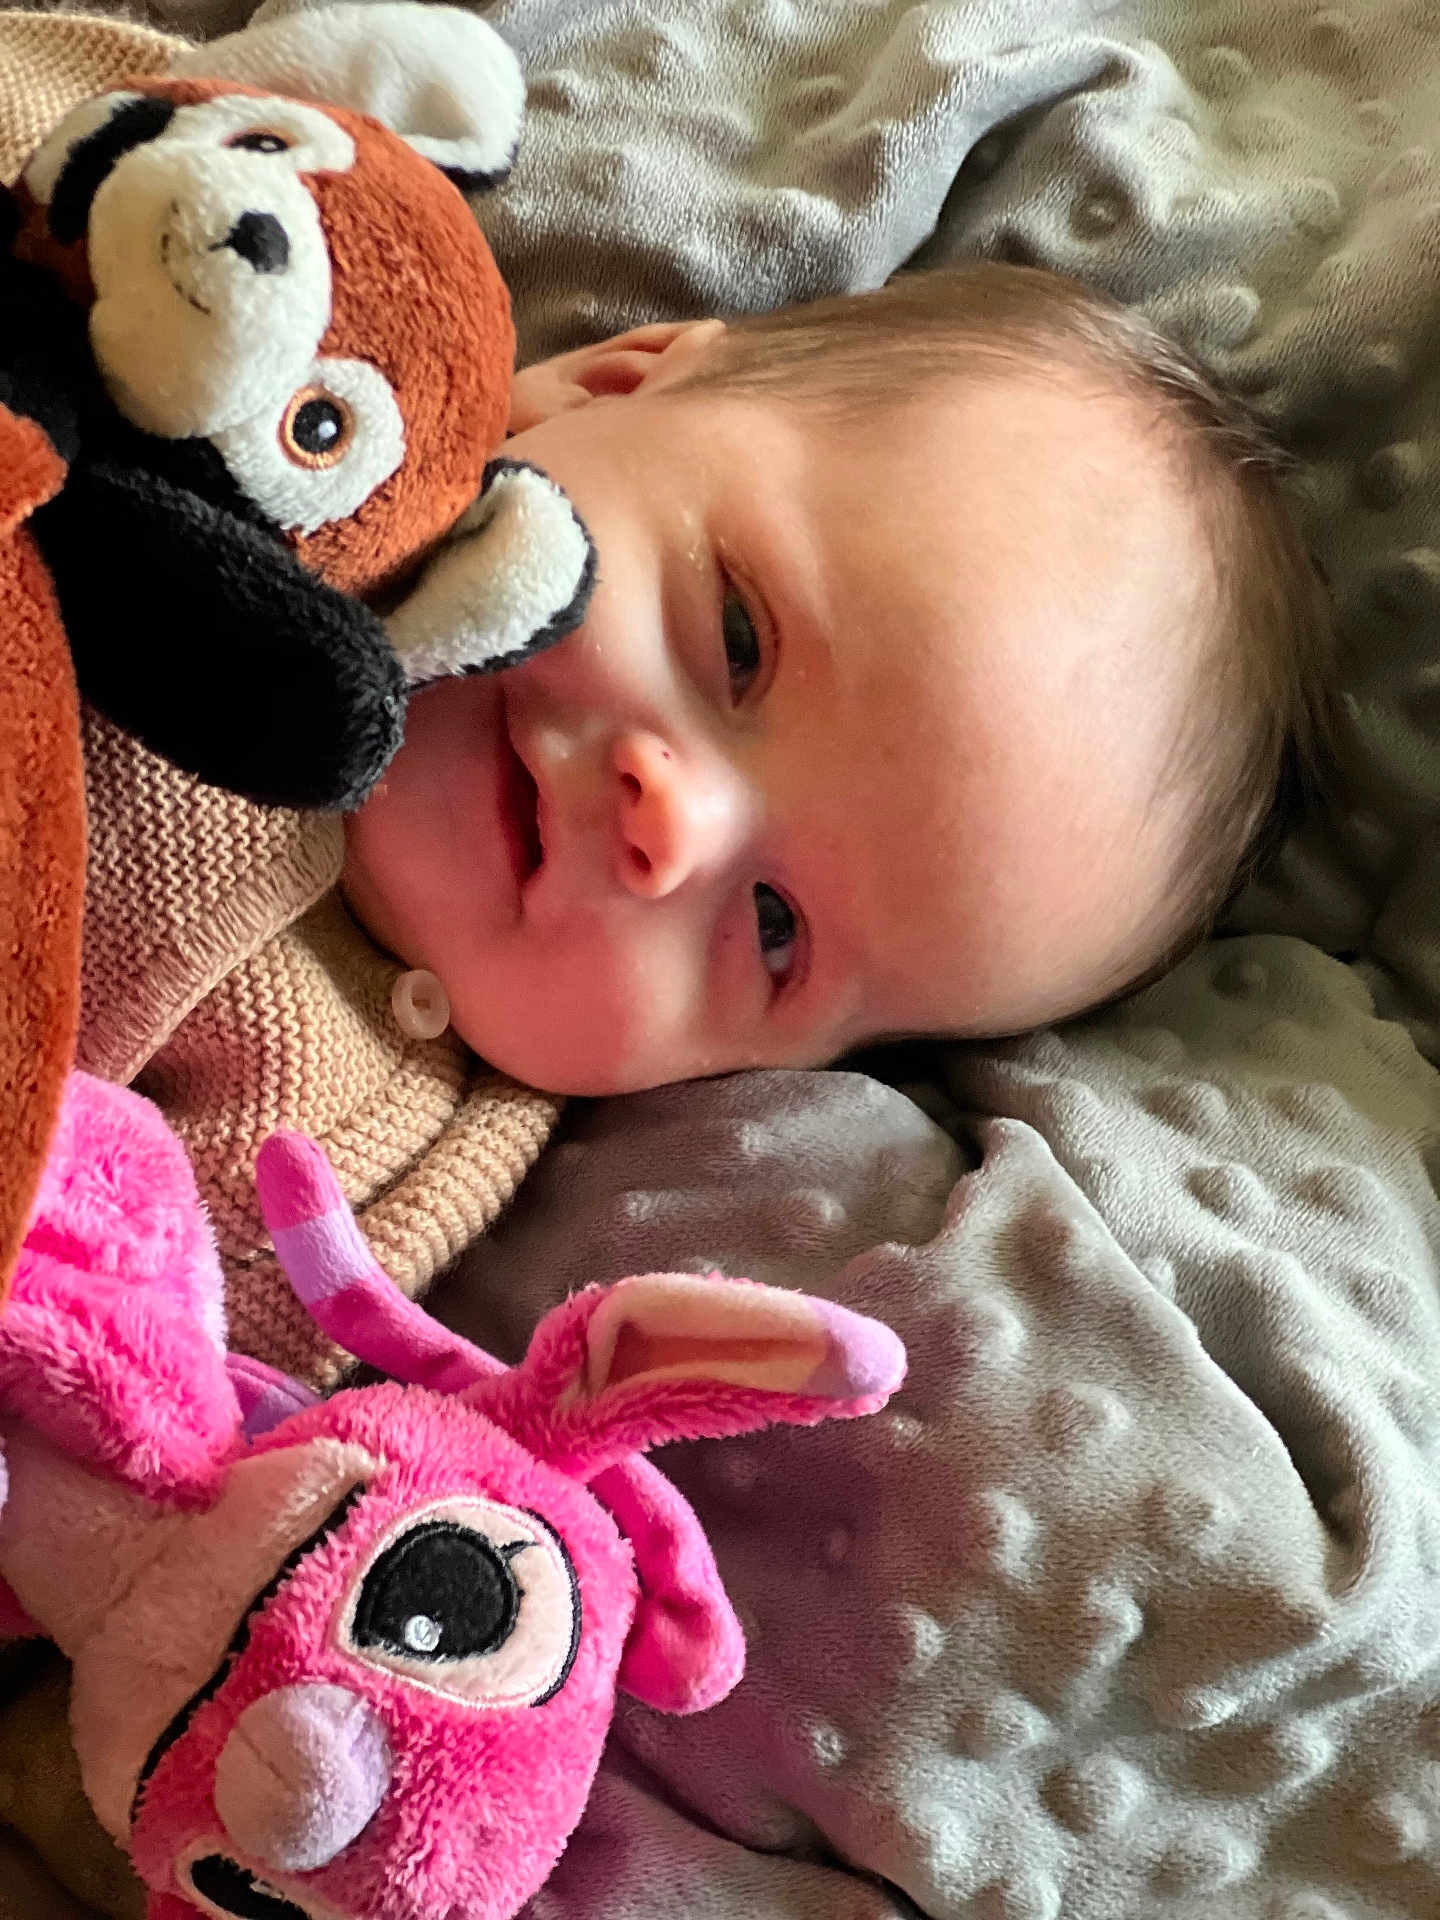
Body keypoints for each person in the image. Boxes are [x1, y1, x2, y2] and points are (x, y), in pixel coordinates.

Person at [342, 263, 1337, 1097]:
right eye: (740, 641)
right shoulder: (288, 369)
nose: (676, 826)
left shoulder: (409, 1186)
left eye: (775, 930)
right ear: (604, 387)